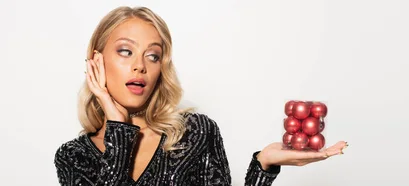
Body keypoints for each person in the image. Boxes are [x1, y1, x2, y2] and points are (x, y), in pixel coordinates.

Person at [53, 6, 348, 186]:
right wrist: (118, 127)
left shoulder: (195, 132)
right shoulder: (73, 157)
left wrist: (264, 165)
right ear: (97, 61)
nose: (140, 65)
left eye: (153, 56)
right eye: (125, 51)